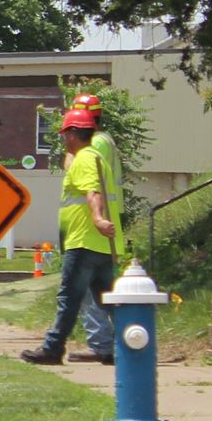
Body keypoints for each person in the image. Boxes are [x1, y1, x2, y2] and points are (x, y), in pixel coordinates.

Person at [21, 108, 115, 365]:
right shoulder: (98, 157)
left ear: (73, 134)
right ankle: (130, 346)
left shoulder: (85, 158)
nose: (63, 139)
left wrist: (96, 219)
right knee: (110, 300)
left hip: (84, 241)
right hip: (102, 245)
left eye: (65, 134)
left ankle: (52, 348)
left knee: (69, 298)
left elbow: (93, 192)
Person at [68, 91, 125, 362]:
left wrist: (97, 218)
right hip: (101, 228)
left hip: (96, 231)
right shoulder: (106, 141)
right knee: (103, 292)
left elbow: (89, 183)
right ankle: (126, 341)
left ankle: (103, 344)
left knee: (92, 293)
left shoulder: (96, 144)